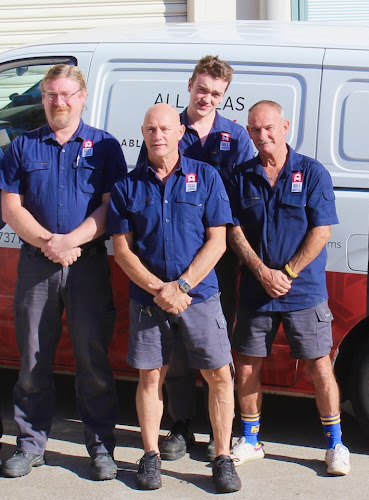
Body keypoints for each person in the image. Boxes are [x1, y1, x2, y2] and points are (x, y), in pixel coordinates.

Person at [107, 103, 240, 493]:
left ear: (181, 132)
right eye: (151, 129)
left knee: (219, 375)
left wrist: (180, 286)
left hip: (199, 296)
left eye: (165, 128)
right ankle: (150, 456)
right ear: (143, 133)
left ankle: (222, 457)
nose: (158, 135)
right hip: (149, 300)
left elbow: (218, 241)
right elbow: (123, 250)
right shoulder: (127, 186)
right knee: (151, 376)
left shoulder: (207, 177)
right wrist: (158, 289)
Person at [0, 64, 125, 480]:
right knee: (33, 359)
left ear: (82, 97)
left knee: (93, 360)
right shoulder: (23, 146)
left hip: (87, 265)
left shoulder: (105, 146)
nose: (59, 102)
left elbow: (110, 207)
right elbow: (10, 207)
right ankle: (30, 445)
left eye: (67, 94)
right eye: (51, 94)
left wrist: (70, 241)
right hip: (37, 266)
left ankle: (101, 448)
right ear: (42, 98)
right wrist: (48, 243)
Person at [227, 100, 351, 476]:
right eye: (255, 129)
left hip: (303, 289)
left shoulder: (311, 172)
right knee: (247, 365)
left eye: (269, 127)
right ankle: (251, 440)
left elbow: (322, 230)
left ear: (285, 127)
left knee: (319, 365)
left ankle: (335, 445)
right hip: (256, 287)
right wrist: (262, 272)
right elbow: (234, 231)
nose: (262, 135)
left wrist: (287, 272)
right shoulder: (241, 176)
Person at [150, 55, 254, 462]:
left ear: (223, 96)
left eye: (216, 93)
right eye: (202, 89)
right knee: (175, 346)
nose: (207, 98)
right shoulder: (167, 127)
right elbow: (147, 186)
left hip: (218, 258)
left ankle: (218, 429)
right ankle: (180, 424)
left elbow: (245, 195)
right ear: (190, 84)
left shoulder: (235, 136)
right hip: (171, 255)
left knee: (216, 346)